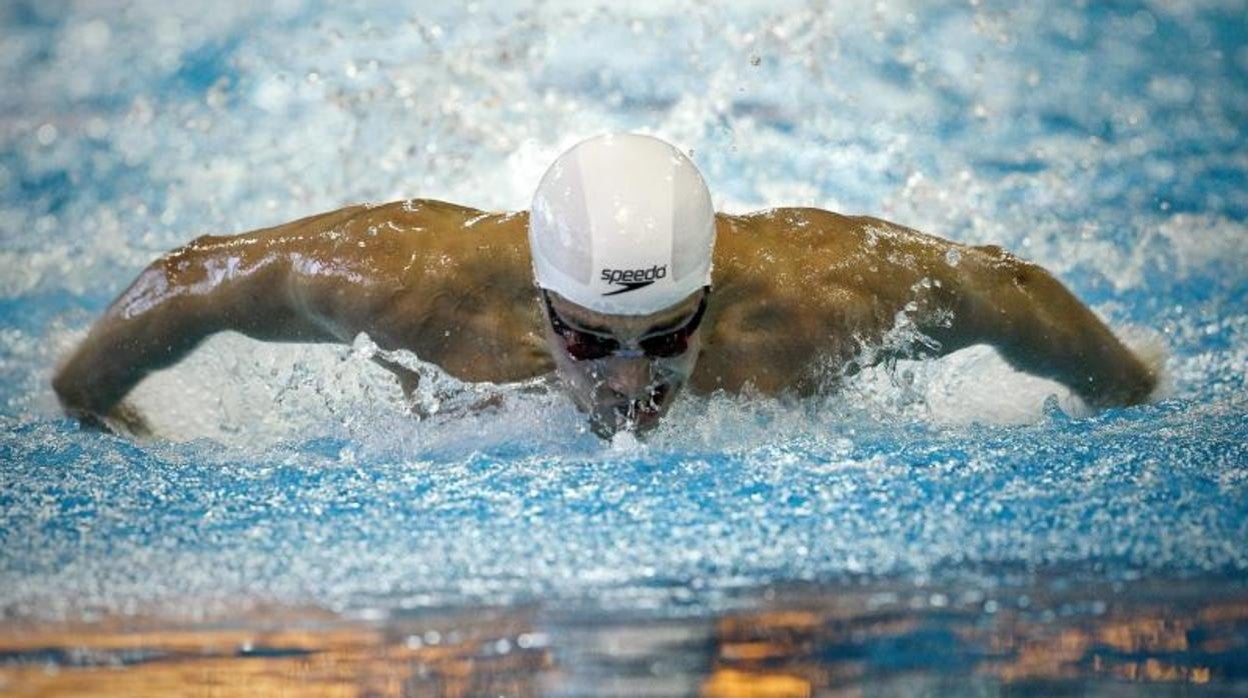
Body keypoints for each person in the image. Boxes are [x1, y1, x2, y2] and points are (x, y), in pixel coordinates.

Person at [52, 133, 1160, 438]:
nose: (634, 381)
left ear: (715, 297)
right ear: (537, 301)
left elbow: (1007, 287)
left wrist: (1127, 397)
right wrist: (91, 404)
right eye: (589, 340)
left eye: (668, 334)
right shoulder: (406, 287)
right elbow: (191, 278)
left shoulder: (821, 298)